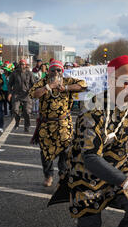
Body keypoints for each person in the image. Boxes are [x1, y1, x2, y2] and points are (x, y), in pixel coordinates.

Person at [50, 55, 128, 227]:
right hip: (87, 174)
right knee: (90, 226)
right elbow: (91, 157)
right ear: (112, 82)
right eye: (126, 82)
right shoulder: (93, 108)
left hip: (122, 167)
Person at [29, 59, 87, 187]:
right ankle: (48, 175)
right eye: (53, 70)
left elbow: (83, 85)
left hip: (63, 123)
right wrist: (49, 87)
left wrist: (66, 88)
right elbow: (33, 94)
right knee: (45, 152)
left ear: (62, 71)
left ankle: (62, 174)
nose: (56, 72)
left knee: (65, 151)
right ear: (49, 71)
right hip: (46, 124)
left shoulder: (67, 81)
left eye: (59, 70)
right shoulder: (42, 82)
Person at [7, 60, 34, 132]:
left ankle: (27, 126)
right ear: (19, 65)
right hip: (16, 94)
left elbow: (33, 84)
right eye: (21, 64)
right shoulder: (14, 73)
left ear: (25, 65)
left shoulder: (30, 73)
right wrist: (10, 93)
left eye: (23, 64)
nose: (22, 66)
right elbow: (9, 84)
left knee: (27, 112)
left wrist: (31, 91)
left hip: (26, 95)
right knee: (15, 110)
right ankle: (17, 121)